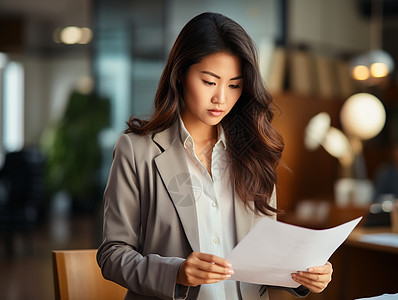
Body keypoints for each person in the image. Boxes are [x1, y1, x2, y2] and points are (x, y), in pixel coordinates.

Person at [97, 12, 333, 300]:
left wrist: (302, 274)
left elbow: (264, 257)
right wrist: (177, 272)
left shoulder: (255, 151)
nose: (221, 98)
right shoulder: (136, 150)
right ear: (181, 74)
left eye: (234, 85)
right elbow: (112, 254)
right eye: (209, 82)